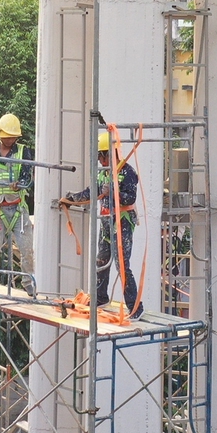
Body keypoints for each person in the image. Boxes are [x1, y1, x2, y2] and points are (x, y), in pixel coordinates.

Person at [63, 129, 141, 315]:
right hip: (106, 223)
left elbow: (130, 199)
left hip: (121, 223)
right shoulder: (103, 173)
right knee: (102, 260)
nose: (99, 159)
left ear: (109, 153)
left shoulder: (127, 172)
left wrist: (114, 192)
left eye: (101, 155)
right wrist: (72, 199)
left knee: (122, 265)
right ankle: (101, 297)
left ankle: (135, 308)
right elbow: (93, 191)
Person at [0, 114, 35, 289]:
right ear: (0, 134)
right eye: (8, 136)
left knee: (26, 250)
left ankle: (28, 285)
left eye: (13, 136)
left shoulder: (23, 151)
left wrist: (19, 184)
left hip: (18, 208)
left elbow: (28, 176)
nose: (11, 139)